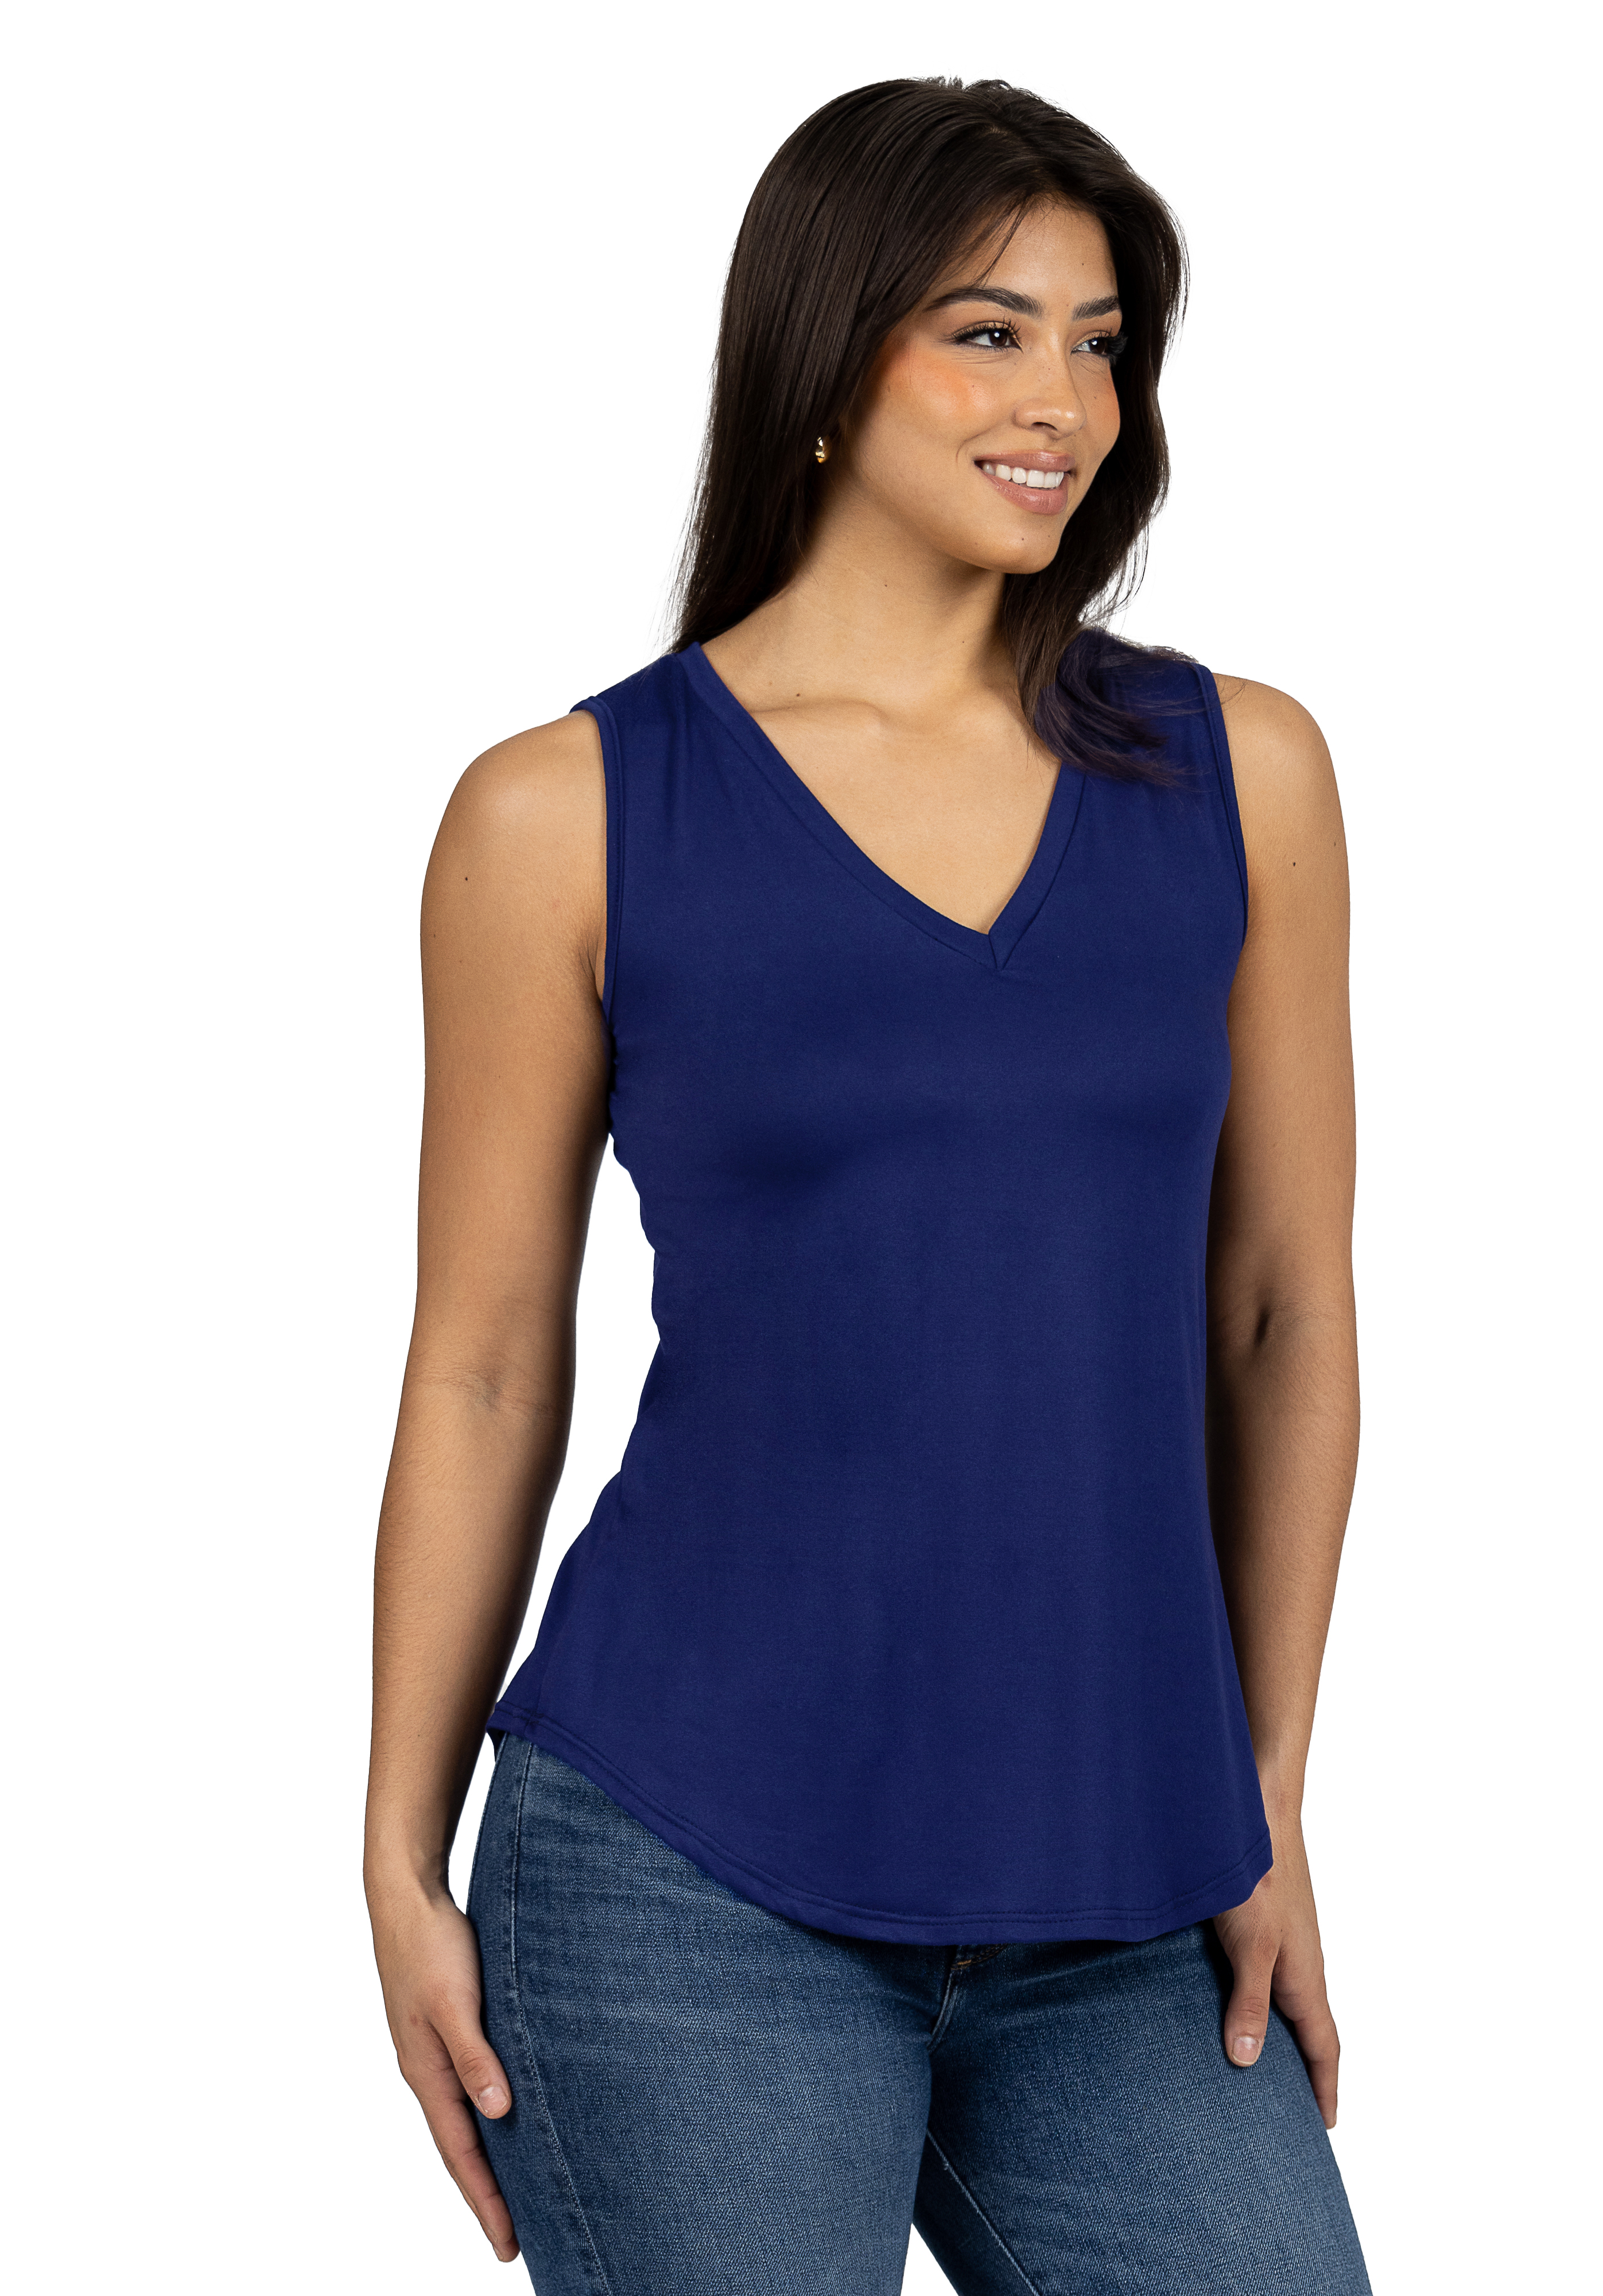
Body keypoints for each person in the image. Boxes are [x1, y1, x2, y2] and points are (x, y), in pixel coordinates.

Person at [364, 76, 1372, 2294]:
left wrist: (1269, 1788)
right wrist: (397, 1853)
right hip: (682, 1866)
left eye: (1101, 343)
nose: (1064, 402)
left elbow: (1284, 1308)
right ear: (825, 360)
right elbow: (486, 1363)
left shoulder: (1243, 775)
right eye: (987, 333)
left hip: (1133, 1885)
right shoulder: (563, 817)